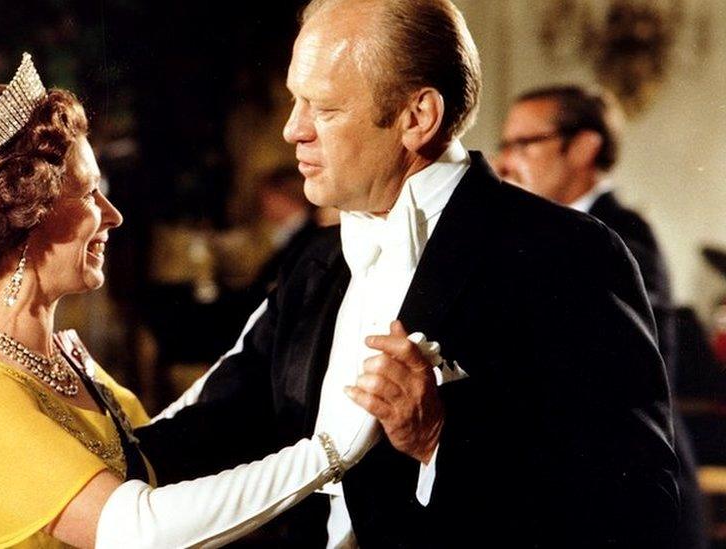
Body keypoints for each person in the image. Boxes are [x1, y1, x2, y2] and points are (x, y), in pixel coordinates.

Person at [137, 1, 681, 547]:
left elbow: (638, 503)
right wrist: (71, 445)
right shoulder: (317, 262)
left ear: (417, 118)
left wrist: (440, 438)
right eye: (296, 101)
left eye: (322, 108)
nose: (291, 130)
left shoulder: (567, 254)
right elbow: (219, 423)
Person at [0, 53, 384, 549]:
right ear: (23, 213)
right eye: (88, 193)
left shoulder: (60, 358)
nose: (113, 215)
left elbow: (161, 460)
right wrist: (330, 453)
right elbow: (140, 530)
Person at [497, 84, 706, 548]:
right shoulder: (551, 234)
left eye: (524, 144)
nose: (504, 163)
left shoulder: (622, 237)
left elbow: (618, 384)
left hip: (630, 510)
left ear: (584, 147)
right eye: (504, 145)